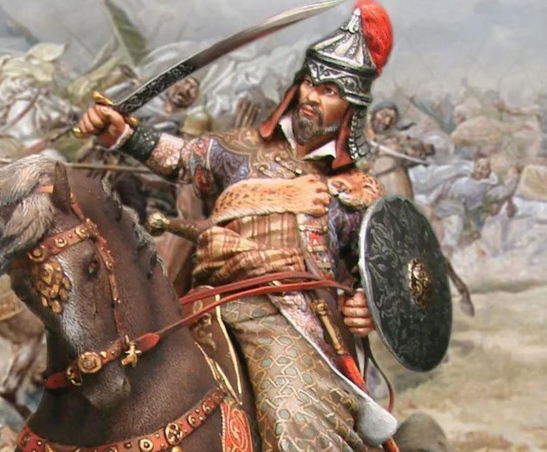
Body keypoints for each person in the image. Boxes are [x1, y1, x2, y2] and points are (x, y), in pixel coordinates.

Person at [78, 1, 397, 449]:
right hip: (204, 300)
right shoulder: (240, 149)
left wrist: (368, 307)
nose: (311, 96)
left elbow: (379, 276)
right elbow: (181, 158)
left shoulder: (356, 191)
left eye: (328, 91)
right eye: (310, 82)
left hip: (288, 319)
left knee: (292, 418)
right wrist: (121, 133)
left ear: (351, 108)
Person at [425, 156, 520, 257]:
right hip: (442, 204)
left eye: (483, 169)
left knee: (454, 228)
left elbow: (505, 192)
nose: (479, 170)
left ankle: (446, 255)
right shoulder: (462, 175)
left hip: (457, 211)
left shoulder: (486, 187)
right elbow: (444, 186)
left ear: (488, 172)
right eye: (478, 167)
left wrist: (514, 177)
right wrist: (432, 201)